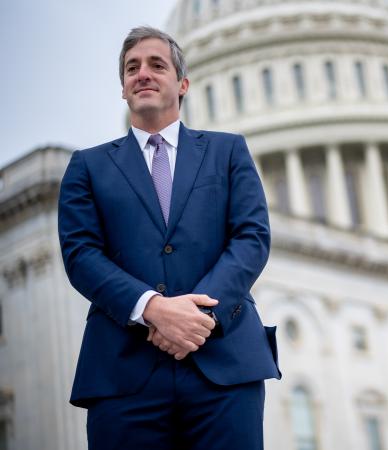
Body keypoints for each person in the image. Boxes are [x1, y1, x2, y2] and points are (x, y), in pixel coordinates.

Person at [58, 26, 280, 449]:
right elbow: (81, 254)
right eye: (131, 68)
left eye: (156, 65)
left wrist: (197, 319)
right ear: (123, 89)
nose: (142, 74)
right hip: (123, 373)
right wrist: (153, 309)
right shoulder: (87, 166)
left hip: (223, 363)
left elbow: (251, 238)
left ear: (182, 84)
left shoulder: (228, 151)